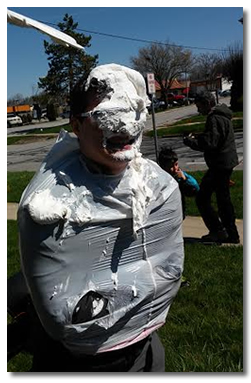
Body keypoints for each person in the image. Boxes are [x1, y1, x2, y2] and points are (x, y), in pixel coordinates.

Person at [17, 64, 184, 372]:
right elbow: (62, 318)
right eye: (110, 112)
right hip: (76, 365)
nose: (125, 125)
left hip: (146, 349)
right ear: (76, 125)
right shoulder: (49, 206)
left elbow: (171, 272)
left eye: (133, 109)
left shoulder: (159, 187)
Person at [183, 90, 239, 244]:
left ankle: (220, 231)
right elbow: (214, 138)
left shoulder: (214, 118)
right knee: (223, 200)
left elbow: (210, 144)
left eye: (199, 106)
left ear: (207, 104)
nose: (198, 109)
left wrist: (190, 142)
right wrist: (200, 136)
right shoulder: (222, 115)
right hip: (225, 163)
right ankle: (230, 233)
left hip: (219, 165)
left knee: (203, 198)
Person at [158, 146, 199, 219]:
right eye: (171, 166)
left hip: (179, 212)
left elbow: (194, 189)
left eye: (176, 164)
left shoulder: (180, 177)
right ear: (163, 167)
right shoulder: (159, 178)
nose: (175, 168)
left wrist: (184, 180)